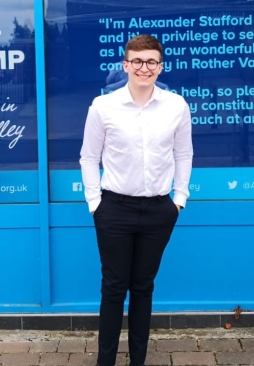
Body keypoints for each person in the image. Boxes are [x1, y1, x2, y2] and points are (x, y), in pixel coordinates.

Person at [80, 34, 193, 366]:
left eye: (152, 62)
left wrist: (179, 199)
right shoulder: (104, 106)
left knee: (143, 287)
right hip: (113, 209)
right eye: (138, 61)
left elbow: (184, 154)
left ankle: (138, 361)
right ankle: (106, 362)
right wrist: (95, 203)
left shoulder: (176, 106)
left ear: (160, 66)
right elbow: (89, 157)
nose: (145, 68)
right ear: (126, 65)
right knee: (114, 288)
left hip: (159, 210)